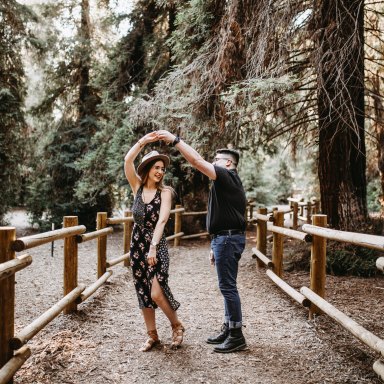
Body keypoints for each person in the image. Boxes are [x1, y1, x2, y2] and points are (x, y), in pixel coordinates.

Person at [156, 130, 247, 353]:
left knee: (228, 287)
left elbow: (196, 161)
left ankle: (237, 336)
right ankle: (229, 328)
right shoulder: (227, 182)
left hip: (227, 239)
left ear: (228, 163)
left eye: (216, 161)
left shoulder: (227, 176)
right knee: (227, 286)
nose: (212, 164)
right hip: (223, 239)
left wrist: (175, 140)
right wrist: (214, 243)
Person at [124, 132, 184, 351]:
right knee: (142, 290)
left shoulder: (165, 192)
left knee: (156, 292)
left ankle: (177, 326)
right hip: (136, 245)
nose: (160, 171)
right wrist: (145, 141)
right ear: (148, 169)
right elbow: (127, 160)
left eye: (162, 168)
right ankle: (152, 335)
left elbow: (162, 220)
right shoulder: (137, 188)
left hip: (155, 246)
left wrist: (153, 248)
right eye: (156, 167)